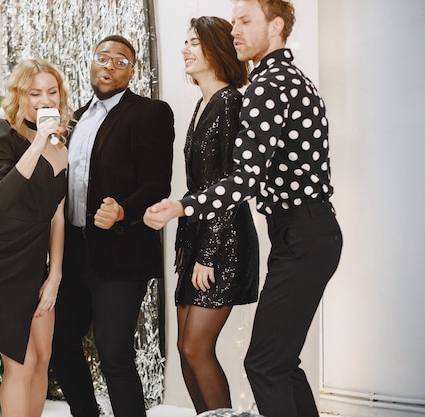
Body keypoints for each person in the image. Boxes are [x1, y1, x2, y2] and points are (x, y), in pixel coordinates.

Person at [144, 1, 343, 416]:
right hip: (301, 233)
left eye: (245, 21)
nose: (235, 30)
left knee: (265, 365)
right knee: (280, 364)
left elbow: (243, 178)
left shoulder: (268, 86)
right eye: (233, 22)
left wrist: (182, 206)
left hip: (303, 233)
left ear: (277, 26)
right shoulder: (279, 79)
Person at [47, 35, 175, 417]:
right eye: (103, 57)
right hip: (72, 254)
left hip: (121, 256)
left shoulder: (150, 112)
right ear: (91, 62)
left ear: (132, 71)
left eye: (121, 61)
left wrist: (122, 210)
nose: (109, 65)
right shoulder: (73, 118)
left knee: (114, 352)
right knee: (60, 344)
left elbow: (157, 184)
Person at [0, 58, 71, 417]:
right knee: (21, 363)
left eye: (52, 92)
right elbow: (4, 198)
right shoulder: (1, 131)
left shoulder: (62, 144)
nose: (45, 100)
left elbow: (56, 214)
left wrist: (55, 273)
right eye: (35, 93)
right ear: (20, 96)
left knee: (43, 360)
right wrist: (39, 141)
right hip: (3, 260)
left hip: (37, 261)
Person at [174, 16, 259, 413]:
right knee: (184, 348)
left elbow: (228, 187)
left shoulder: (230, 101)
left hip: (223, 242)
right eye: (185, 42)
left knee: (196, 347)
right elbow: (198, 185)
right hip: (196, 239)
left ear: (217, 50)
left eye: (195, 42)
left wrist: (207, 254)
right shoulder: (202, 103)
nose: (186, 49)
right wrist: (187, 247)